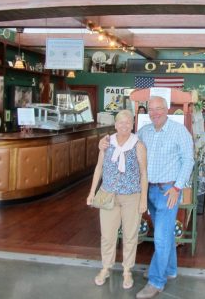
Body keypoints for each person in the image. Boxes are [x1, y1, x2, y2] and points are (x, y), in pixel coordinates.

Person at [101, 96, 194, 299]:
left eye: (159, 109)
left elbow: (189, 160)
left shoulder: (180, 132)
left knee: (160, 236)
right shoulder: (144, 132)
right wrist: (106, 142)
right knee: (166, 232)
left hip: (168, 191)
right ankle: (169, 270)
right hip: (146, 189)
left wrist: (177, 188)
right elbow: (124, 145)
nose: (155, 113)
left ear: (167, 109)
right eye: (151, 109)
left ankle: (156, 281)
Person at [87, 109, 148, 290]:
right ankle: (106, 267)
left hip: (132, 196)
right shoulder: (106, 143)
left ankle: (127, 271)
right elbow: (99, 168)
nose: (124, 125)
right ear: (115, 125)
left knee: (130, 236)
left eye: (128, 122)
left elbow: (144, 173)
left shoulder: (138, 145)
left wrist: (143, 199)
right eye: (121, 122)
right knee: (107, 235)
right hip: (108, 195)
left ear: (132, 125)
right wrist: (91, 193)